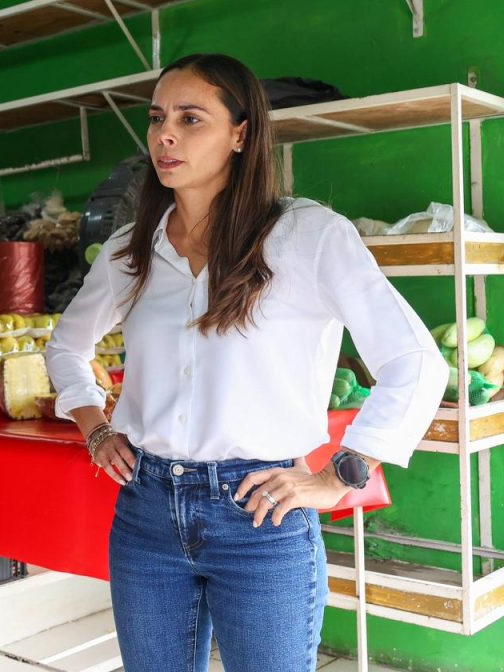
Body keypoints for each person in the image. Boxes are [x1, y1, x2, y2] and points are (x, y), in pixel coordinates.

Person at [45, 53, 448, 672]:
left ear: (240, 133)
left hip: (261, 516)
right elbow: (66, 345)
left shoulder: (307, 236)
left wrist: (339, 477)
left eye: (190, 118)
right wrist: (93, 428)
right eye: (156, 119)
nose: (165, 136)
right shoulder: (131, 249)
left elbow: (417, 362)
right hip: (148, 512)